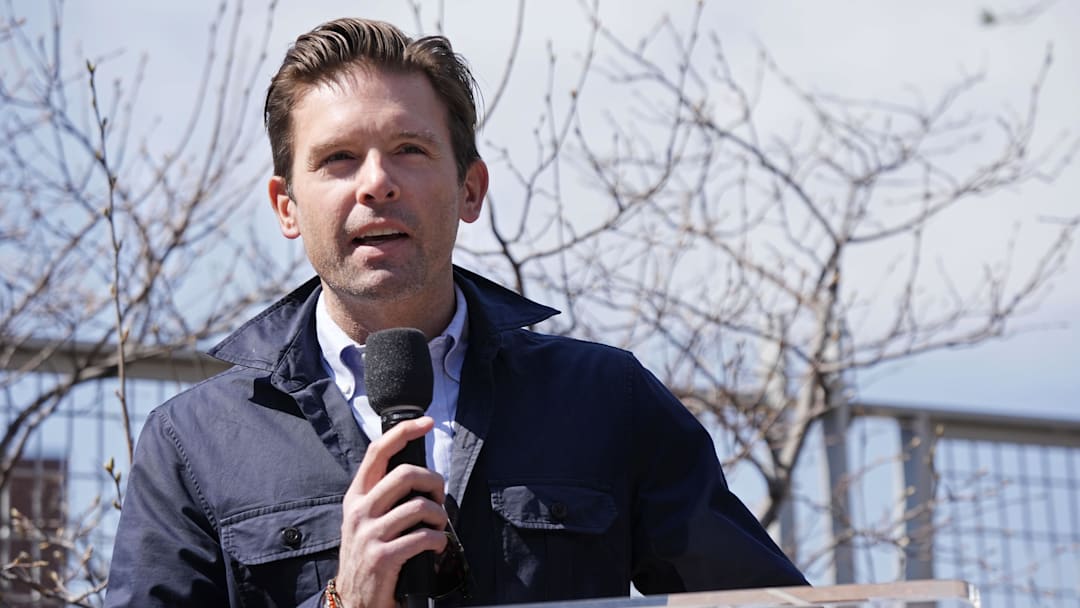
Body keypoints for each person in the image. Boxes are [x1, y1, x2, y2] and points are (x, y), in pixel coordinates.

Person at [105, 17, 807, 608]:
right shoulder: (194, 444)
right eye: (339, 159)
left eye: (408, 150)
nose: (376, 183)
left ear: (470, 189)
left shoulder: (607, 402)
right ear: (287, 207)